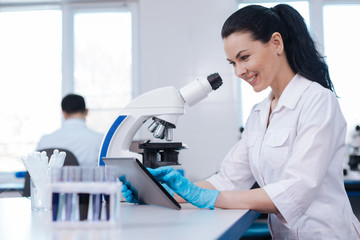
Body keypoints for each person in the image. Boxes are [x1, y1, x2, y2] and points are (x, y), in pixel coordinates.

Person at [122, 4, 360, 239]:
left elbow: (295, 192)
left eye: (244, 57)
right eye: (233, 63)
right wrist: (163, 193)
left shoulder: (317, 100)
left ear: (276, 43)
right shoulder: (259, 113)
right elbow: (228, 180)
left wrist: (209, 198)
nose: (238, 71)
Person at [36, 94, 103, 166]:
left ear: (64, 113)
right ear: (86, 111)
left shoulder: (45, 140)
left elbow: (34, 170)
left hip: (53, 177)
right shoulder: (100, 140)